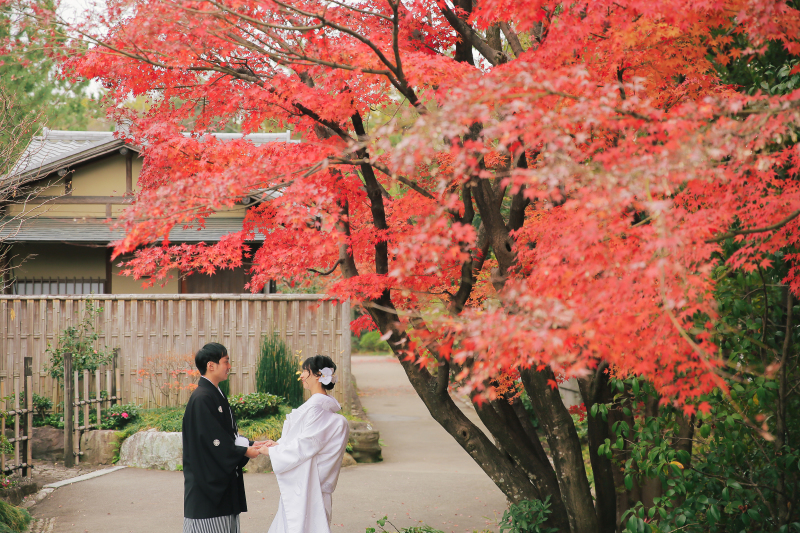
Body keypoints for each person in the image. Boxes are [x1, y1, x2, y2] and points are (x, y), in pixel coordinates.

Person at [260, 355, 350, 533]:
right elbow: (304, 440)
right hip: (310, 481)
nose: (301, 376)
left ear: (317, 375)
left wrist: (271, 453)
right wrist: (278, 446)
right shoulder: (322, 406)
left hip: (308, 484)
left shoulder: (317, 407)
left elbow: (306, 444)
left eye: (305, 372)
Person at [182, 342, 264, 533]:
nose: (229, 366)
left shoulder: (213, 393)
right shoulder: (202, 397)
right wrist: (244, 451)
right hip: (207, 488)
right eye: (226, 361)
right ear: (211, 365)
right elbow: (214, 442)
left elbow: (225, 435)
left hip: (219, 485)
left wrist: (250, 445)